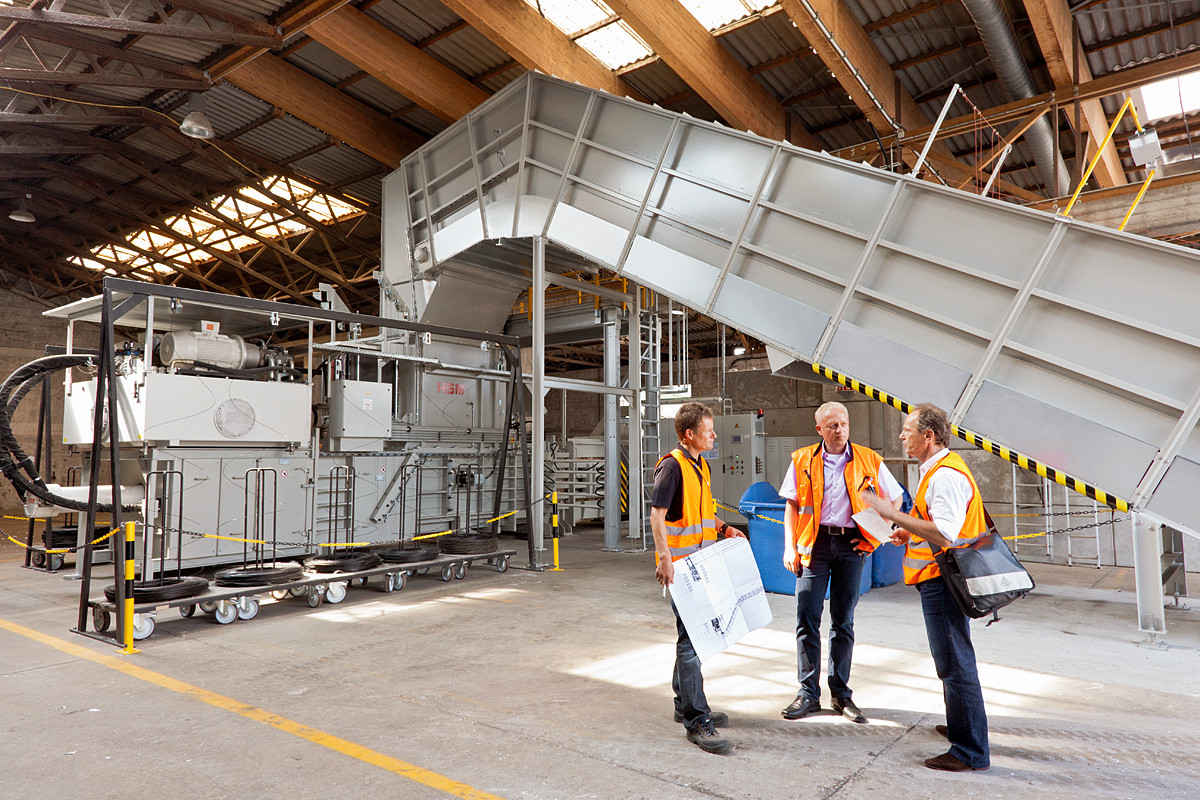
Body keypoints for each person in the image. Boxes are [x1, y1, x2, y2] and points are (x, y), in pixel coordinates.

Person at [860, 403, 990, 772]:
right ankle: (962, 725)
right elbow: (934, 522)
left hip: (943, 580)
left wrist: (892, 514)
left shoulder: (945, 475)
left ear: (928, 436)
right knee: (951, 659)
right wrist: (907, 529)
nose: (901, 436)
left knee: (954, 662)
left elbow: (946, 533)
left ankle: (969, 750)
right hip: (937, 578)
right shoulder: (936, 470)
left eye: (907, 430)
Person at [778, 402, 904, 724]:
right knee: (807, 617)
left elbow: (896, 498)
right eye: (832, 424)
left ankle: (841, 695)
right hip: (814, 544)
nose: (840, 429)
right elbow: (792, 505)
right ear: (819, 429)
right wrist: (789, 548)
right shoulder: (803, 459)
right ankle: (807, 694)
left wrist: (876, 537)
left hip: (852, 545)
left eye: (844, 423)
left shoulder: (868, 459)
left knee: (843, 621)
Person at [650, 401, 745, 755]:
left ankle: (682, 703)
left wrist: (724, 528)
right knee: (693, 641)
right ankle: (695, 718)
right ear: (689, 434)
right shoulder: (673, 467)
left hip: (700, 564)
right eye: (709, 430)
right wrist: (665, 559)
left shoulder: (699, 464)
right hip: (682, 569)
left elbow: (700, 512)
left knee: (689, 637)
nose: (715, 435)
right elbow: (657, 517)